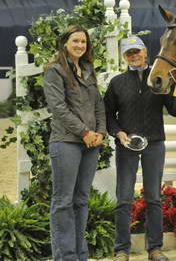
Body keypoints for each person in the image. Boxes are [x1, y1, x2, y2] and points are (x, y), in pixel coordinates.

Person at [104, 36, 176, 261]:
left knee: (153, 198)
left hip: (155, 144)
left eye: (137, 51)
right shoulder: (117, 83)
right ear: (124, 57)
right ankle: (122, 250)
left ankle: (155, 249)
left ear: (145, 53)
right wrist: (119, 133)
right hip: (127, 146)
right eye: (129, 53)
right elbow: (108, 115)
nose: (134, 56)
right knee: (124, 198)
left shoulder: (157, 79)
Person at [43, 25, 106, 261]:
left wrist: (100, 132)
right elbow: (58, 108)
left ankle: (81, 255)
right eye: (75, 41)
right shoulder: (54, 70)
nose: (80, 45)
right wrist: (84, 132)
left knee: (81, 199)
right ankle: (65, 256)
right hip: (67, 142)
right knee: (63, 201)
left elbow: (98, 104)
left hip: (91, 143)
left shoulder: (88, 70)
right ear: (65, 43)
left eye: (83, 41)